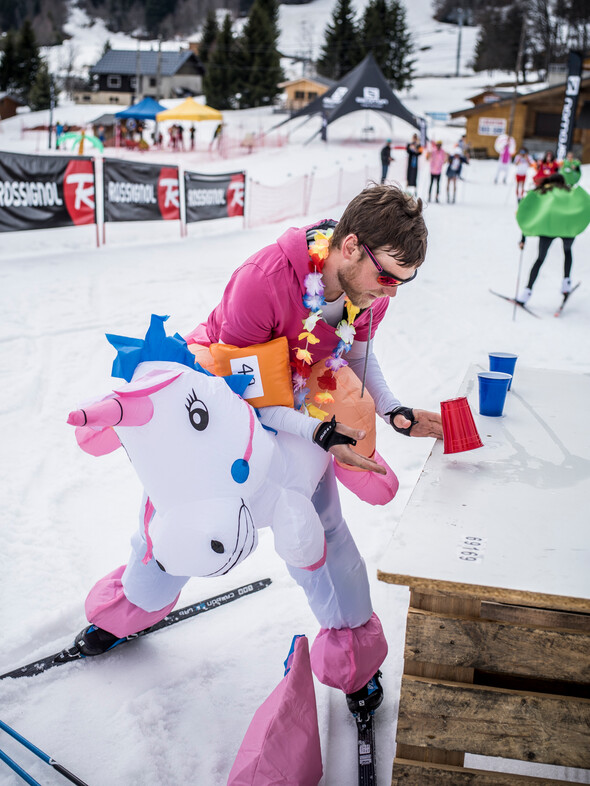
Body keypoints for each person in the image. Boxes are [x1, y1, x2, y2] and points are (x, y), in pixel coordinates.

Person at [74, 185, 443, 716]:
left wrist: (393, 411)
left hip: (300, 396)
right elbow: (237, 401)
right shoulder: (265, 281)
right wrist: (319, 436)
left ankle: (351, 656)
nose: (390, 293)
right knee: (191, 515)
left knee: (323, 530)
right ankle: (130, 605)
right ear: (351, 246)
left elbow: (359, 354)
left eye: (404, 284)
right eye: (387, 277)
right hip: (225, 398)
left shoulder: (367, 295)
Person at [516, 174, 589, 304]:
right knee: (567, 251)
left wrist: (523, 239)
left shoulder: (543, 192)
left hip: (547, 228)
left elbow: (528, 213)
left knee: (540, 259)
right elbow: (583, 203)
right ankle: (566, 284)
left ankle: (526, 292)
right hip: (567, 228)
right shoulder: (569, 191)